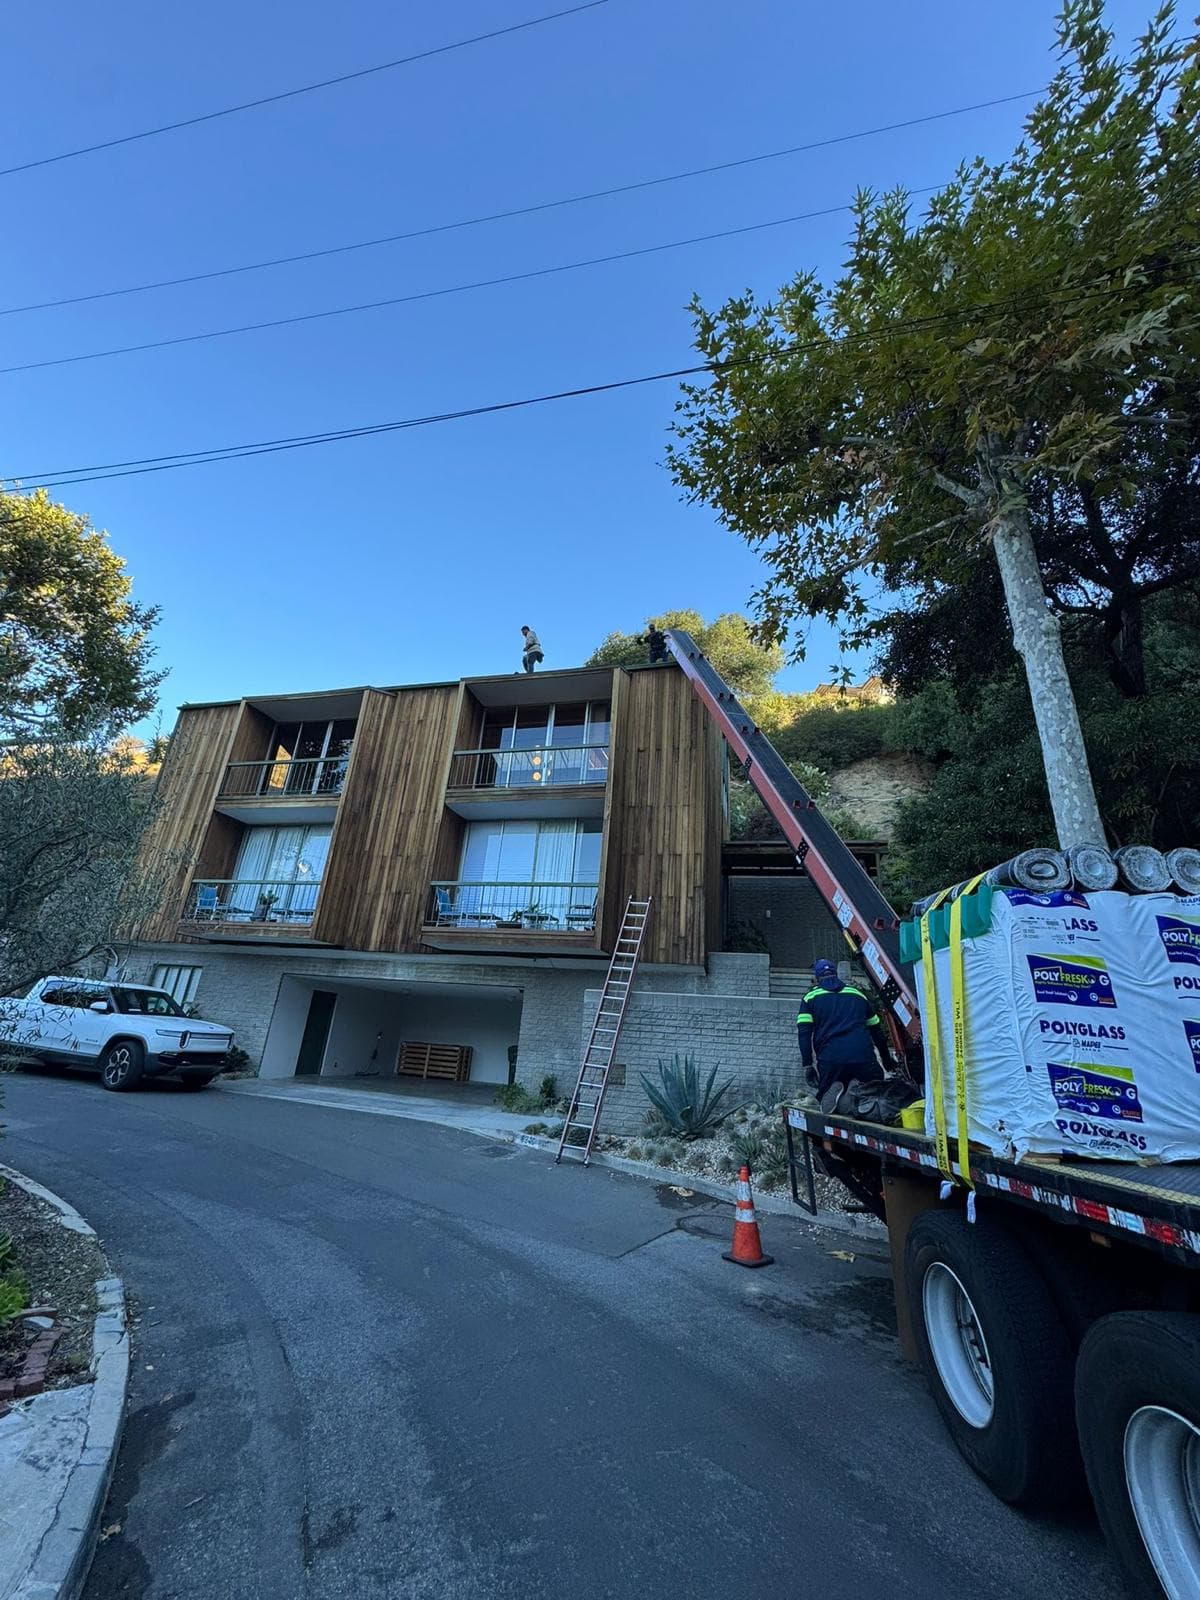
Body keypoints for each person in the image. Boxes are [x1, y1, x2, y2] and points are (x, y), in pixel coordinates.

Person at [796, 958, 894, 1111]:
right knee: (876, 1092)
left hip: (831, 1060)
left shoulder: (810, 998)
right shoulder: (858, 995)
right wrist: (887, 1060)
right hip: (863, 1058)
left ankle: (839, 1094)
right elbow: (877, 1031)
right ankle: (857, 1093)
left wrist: (808, 1065)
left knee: (825, 1097)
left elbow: (804, 1034)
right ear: (836, 974)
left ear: (816, 977)